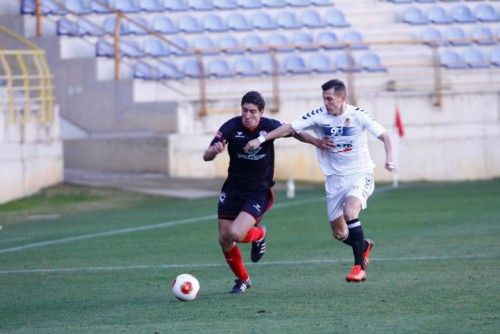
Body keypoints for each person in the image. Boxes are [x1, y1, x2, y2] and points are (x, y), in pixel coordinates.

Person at [244, 79, 396, 283]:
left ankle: (359, 267)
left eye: (329, 98)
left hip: (360, 173)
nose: (325, 102)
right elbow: (289, 128)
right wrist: (261, 139)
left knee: (350, 212)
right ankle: (363, 246)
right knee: (339, 232)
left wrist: (390, 159)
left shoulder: (358, 115)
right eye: (324, 98)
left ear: (343, 98)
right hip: (334, 179)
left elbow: (385, 135)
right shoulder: (319, 115)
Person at [203, 91, 316, 293]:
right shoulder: (231, 126)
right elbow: (207, 156)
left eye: (253, 112)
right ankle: (243, 279)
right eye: (244, 111)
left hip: (258, 191)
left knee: (236, 233)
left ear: (261, 112)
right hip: (233, 189)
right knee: (224, 238)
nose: (248, 116)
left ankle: (260, 234)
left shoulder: (269, 126)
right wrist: (214, 151)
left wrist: (317, 142)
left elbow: (293, 130)